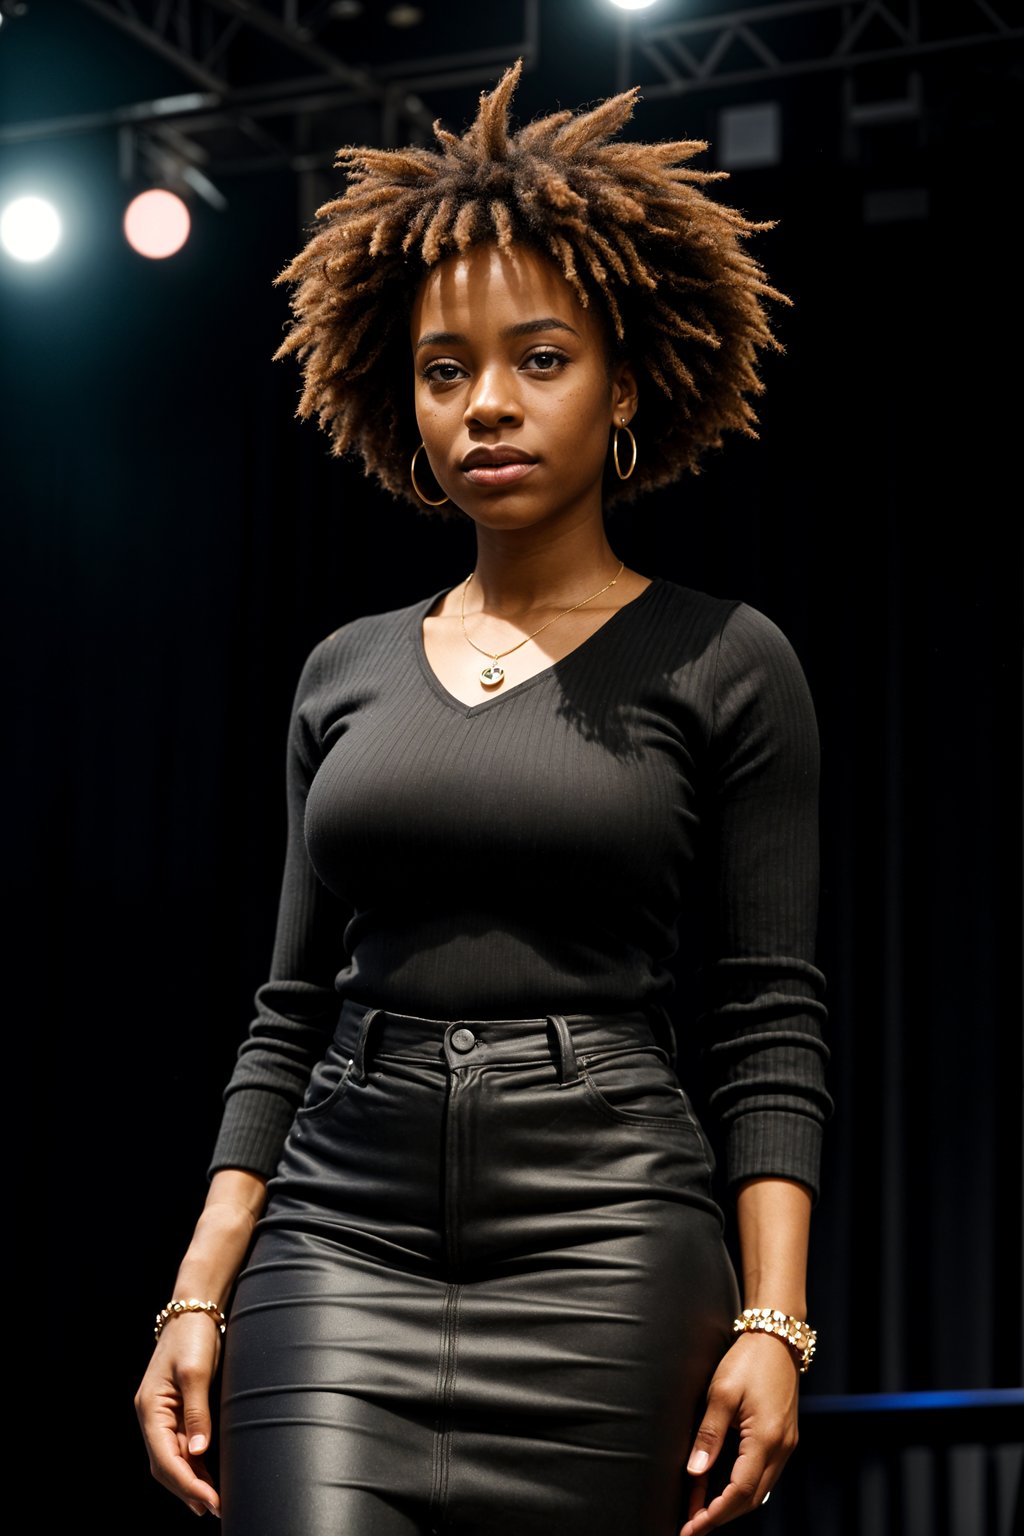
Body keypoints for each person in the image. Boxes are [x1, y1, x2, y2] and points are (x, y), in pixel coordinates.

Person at [135, 59, 832, 1536]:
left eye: (540, 358)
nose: (487, 406)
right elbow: (286, 1006)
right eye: (446, 372)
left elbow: (769, 1018)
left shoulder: (726, 659)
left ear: (627, 379)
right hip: (342, 1232)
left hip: (609, 1233)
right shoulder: (345, 670)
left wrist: (775, 1324)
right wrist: (197, 1289)